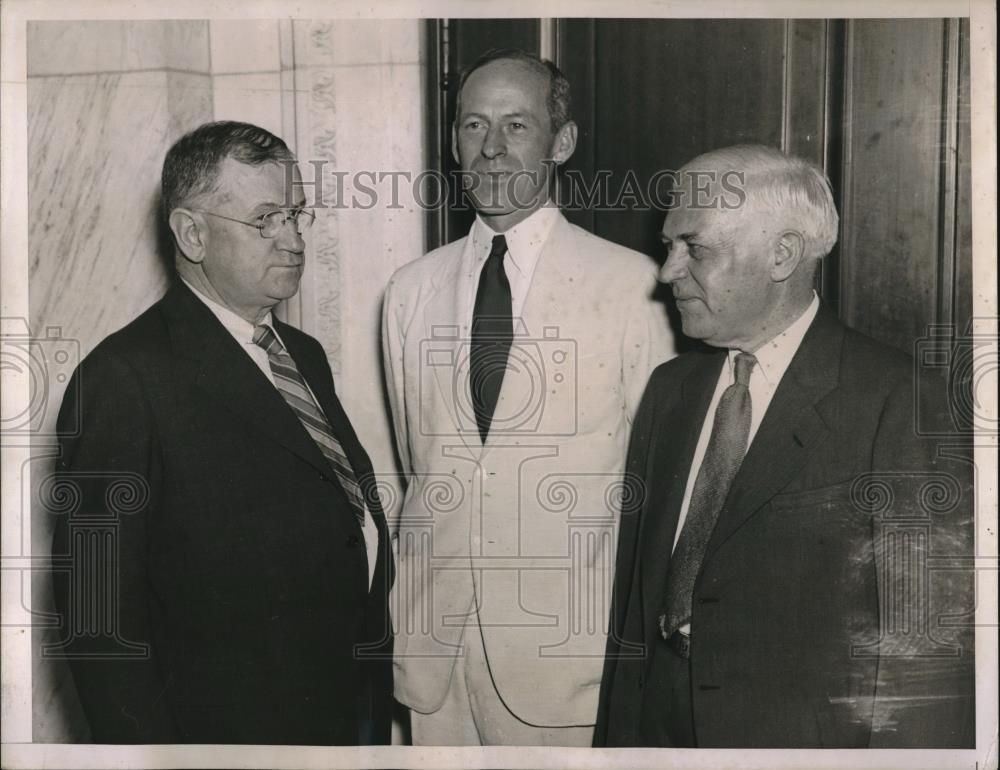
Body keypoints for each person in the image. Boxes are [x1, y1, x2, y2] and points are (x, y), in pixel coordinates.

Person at [594, 144, 975, 748]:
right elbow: (634, 615)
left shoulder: (899, 403)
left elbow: (925, 657)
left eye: (695, 248)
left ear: (782, 254)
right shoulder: (670, 391)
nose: (666, 271)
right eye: (669, 246)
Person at [49, 121, 393, 744]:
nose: (293, 240)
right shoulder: (123, 378)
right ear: (192, 234)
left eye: (295, 214)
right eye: (265, 220)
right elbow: (98, 624)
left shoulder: (302, 354)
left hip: (343, 715)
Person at [382, 48, 675, 746]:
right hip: (435, 659)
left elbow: (658, 492)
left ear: (561, 142)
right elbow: (420, 466)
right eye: (473, 125)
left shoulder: (634, 287)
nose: (491, 148)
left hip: (566, 666)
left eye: (516, 125)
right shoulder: (409, 291)